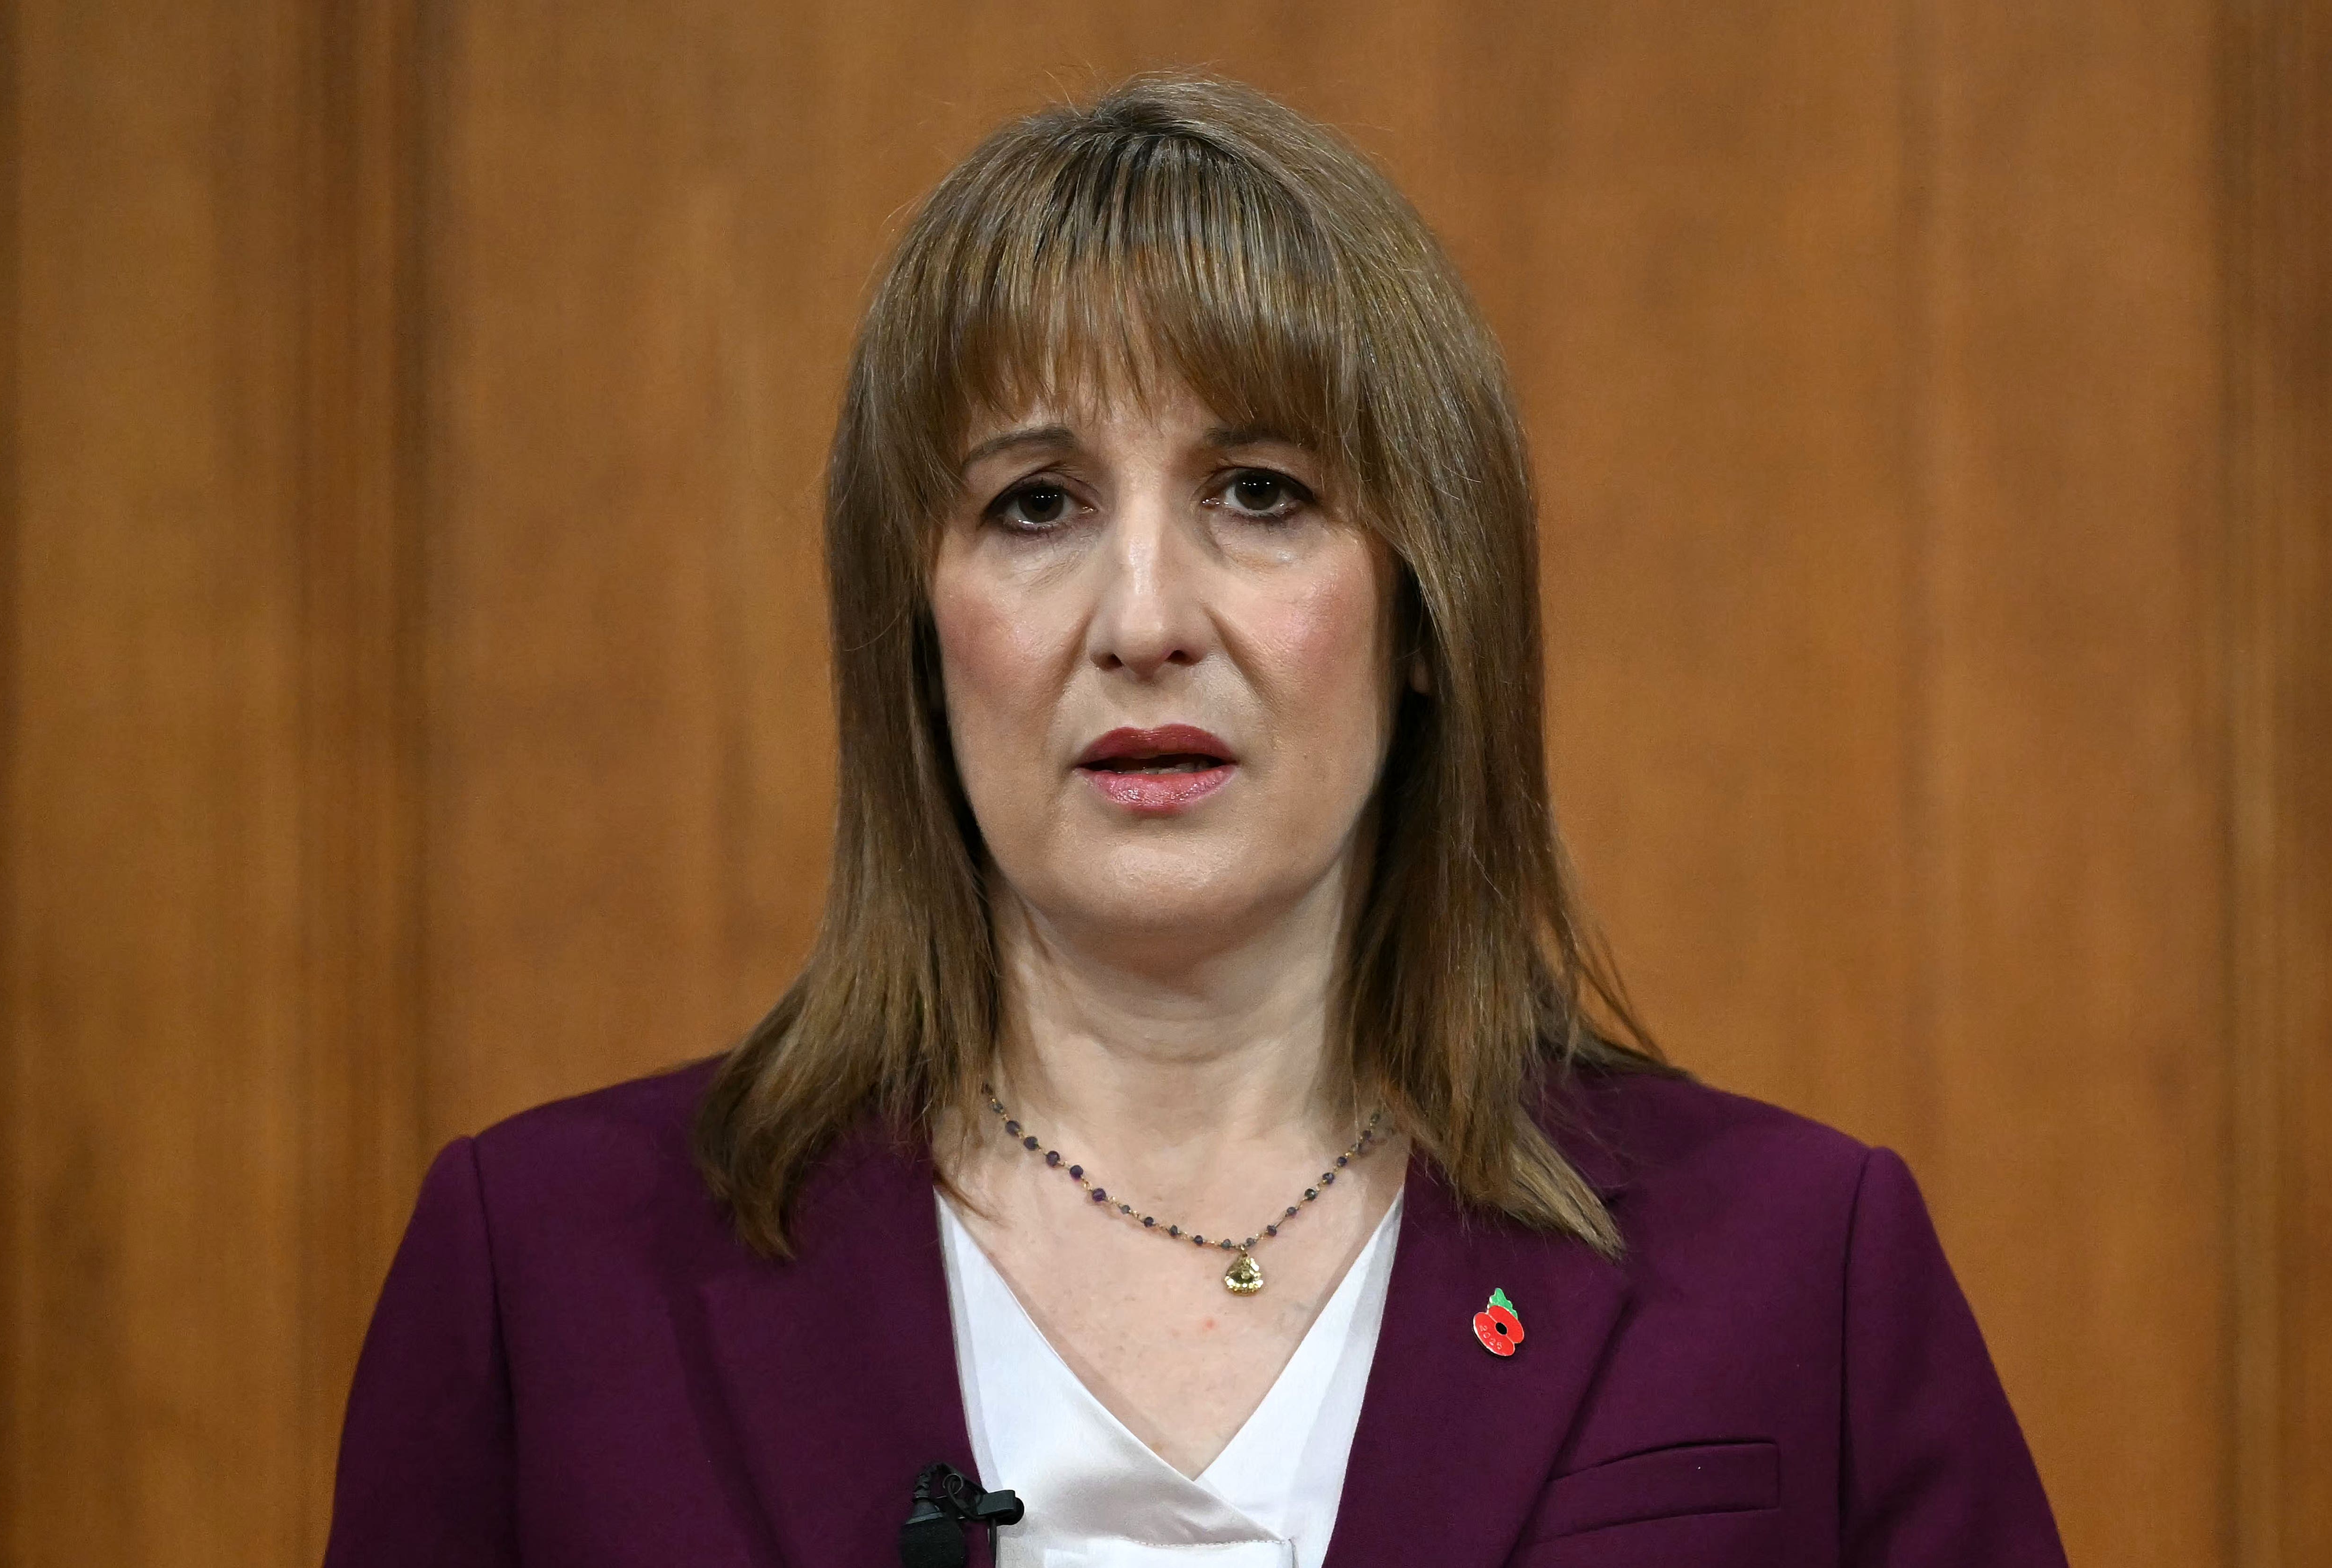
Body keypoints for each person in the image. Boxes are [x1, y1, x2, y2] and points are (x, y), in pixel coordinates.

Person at [324, 75, 2067, 1568]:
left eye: (1261, 494)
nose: (1144, 614)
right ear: (918, 637)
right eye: (1034, 504)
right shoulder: (544, 1277)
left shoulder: (1798, 1264)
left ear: (1422, 617)